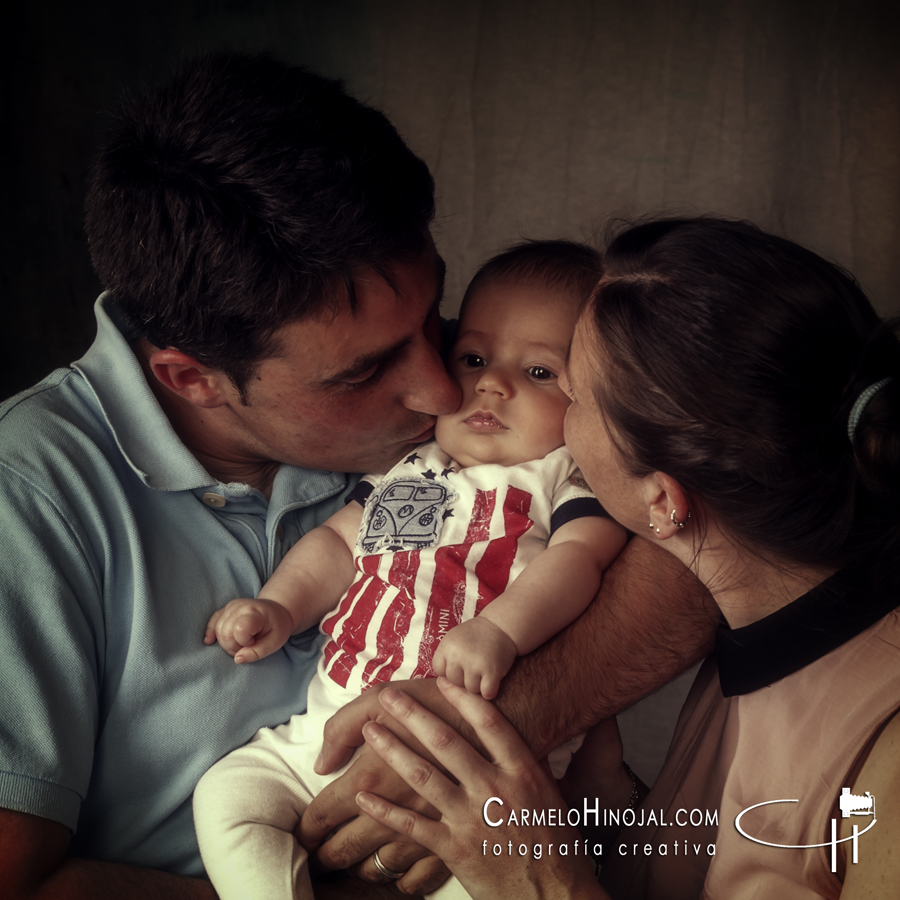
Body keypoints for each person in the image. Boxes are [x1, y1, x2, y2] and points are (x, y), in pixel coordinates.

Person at [0, 53, 713, 899]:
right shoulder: (32, 497)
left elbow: (702, 551)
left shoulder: (483, 429)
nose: (446, 389)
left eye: (438, 323)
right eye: (363, 372)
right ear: (193, 379)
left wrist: (488, 729)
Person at [348, 217, 900, 899]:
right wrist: (607, 811)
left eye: (569, 393)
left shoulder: (887, 757)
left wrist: (546, 883)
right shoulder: (760, 639)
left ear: (663, 500)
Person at [194, 242, 628, 900]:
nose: (492, 384)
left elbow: (581, 559)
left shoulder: (561, 473)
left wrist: (501, 633)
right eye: (475, 358)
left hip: (482, 777)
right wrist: (280, 607)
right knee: (229, 794)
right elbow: (340, 547)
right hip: (328, 734)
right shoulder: (415, 470)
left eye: (540, 372)